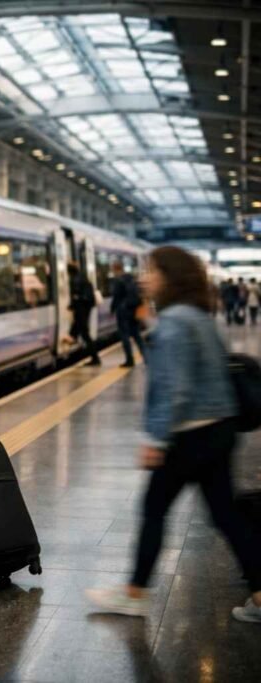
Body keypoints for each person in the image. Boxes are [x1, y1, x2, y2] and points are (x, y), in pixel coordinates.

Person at [87, 247, 261, 623]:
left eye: (151, 271)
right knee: (226, 516)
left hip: (188, 437)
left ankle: (134, 593)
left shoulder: (176, 322)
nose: (144, 277)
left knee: (153, 511)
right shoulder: (200, 316)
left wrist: (156, 440)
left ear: (169, 276)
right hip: (219, 430)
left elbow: (174, 389)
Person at [110, 261, 146, 368]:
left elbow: (116, 297)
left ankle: (129, 360)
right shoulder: (131, 279)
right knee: (136, 336)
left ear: (116, 269)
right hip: (133, 310)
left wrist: (112, 309)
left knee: (124, 336)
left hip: (123, 311)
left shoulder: (118, 280)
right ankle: (147, 358)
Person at [67, 262, 101, 366]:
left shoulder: (74, 280)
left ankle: (95, 358)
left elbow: (76, 296)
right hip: (86, 309)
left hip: (81, 310)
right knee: (82, 331)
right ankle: (72, 337)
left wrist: (72, 306)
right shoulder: (83, 277)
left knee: (85, 334)